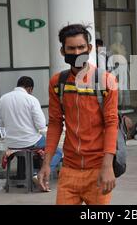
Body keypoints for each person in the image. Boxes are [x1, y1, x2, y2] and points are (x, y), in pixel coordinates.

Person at [38, 24, 119, 205]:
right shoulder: (57, 83)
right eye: (71, 48)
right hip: (69, 170)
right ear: (62, 51)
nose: (77, 52)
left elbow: (112, 123)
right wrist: (46, 163)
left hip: (98, 169)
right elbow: (55, 123)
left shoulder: (106, 81)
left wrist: (107, 166)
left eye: (81, 47)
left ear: (89, 49)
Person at [0, 77, 63, 189]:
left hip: (12, 143)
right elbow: (41, 124)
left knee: (43, 145)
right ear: (30, 89)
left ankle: (28, 174)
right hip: (31, 141)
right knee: (57, 151)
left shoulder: (3, 99)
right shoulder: (31, 99)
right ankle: (38, 174)